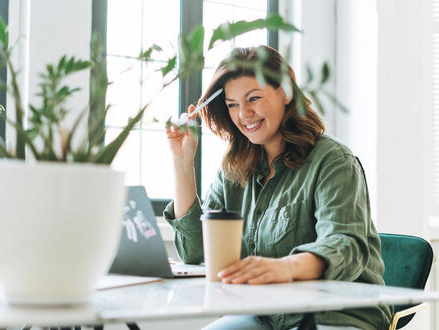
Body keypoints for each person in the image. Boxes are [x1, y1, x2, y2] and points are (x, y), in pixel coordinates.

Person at [164, 46, 393, 330]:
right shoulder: (235, 169)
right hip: (264, 315)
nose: (243, 114)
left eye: (254, 98)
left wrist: (284, 267)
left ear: (285, 91)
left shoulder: (332, 160)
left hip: (335, 315)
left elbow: (345, 247)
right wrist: (183, 163)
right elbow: (197, 253)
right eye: (233, 104)